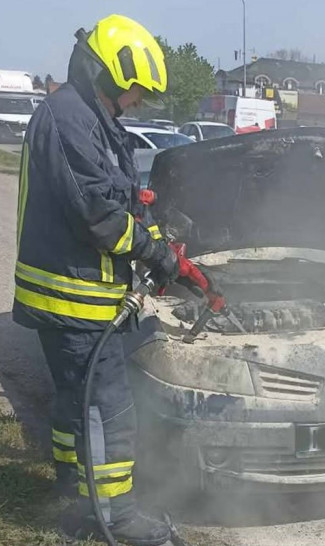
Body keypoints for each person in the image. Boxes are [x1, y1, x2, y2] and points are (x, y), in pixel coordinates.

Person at [13, 14, 179, 546]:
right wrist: (152, 251)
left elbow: (127, 201)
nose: (137, 102)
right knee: (108, 408)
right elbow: (99, 216)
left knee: (75, 401)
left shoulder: (94, 120)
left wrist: (162, 242)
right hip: (74, 298)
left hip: (78, 295)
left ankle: (75, 487)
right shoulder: (68, 119)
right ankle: (115, 515)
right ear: (108, 73)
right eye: (135, 90)